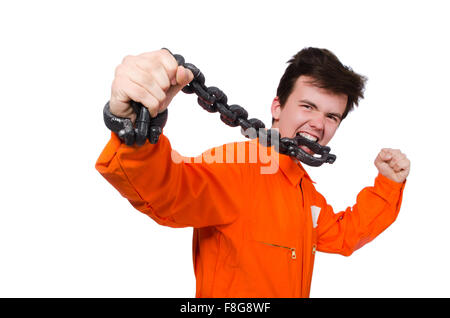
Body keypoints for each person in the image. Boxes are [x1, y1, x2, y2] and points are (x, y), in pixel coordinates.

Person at [95, 48, 410, 297]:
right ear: (277, 107)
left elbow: (343, 236)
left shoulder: (303, 191)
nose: (320, 124)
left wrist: (388, 185)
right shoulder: (236, 167)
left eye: (332, 116)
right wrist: (130, 127)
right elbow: (169, 190)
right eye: (308, 107)